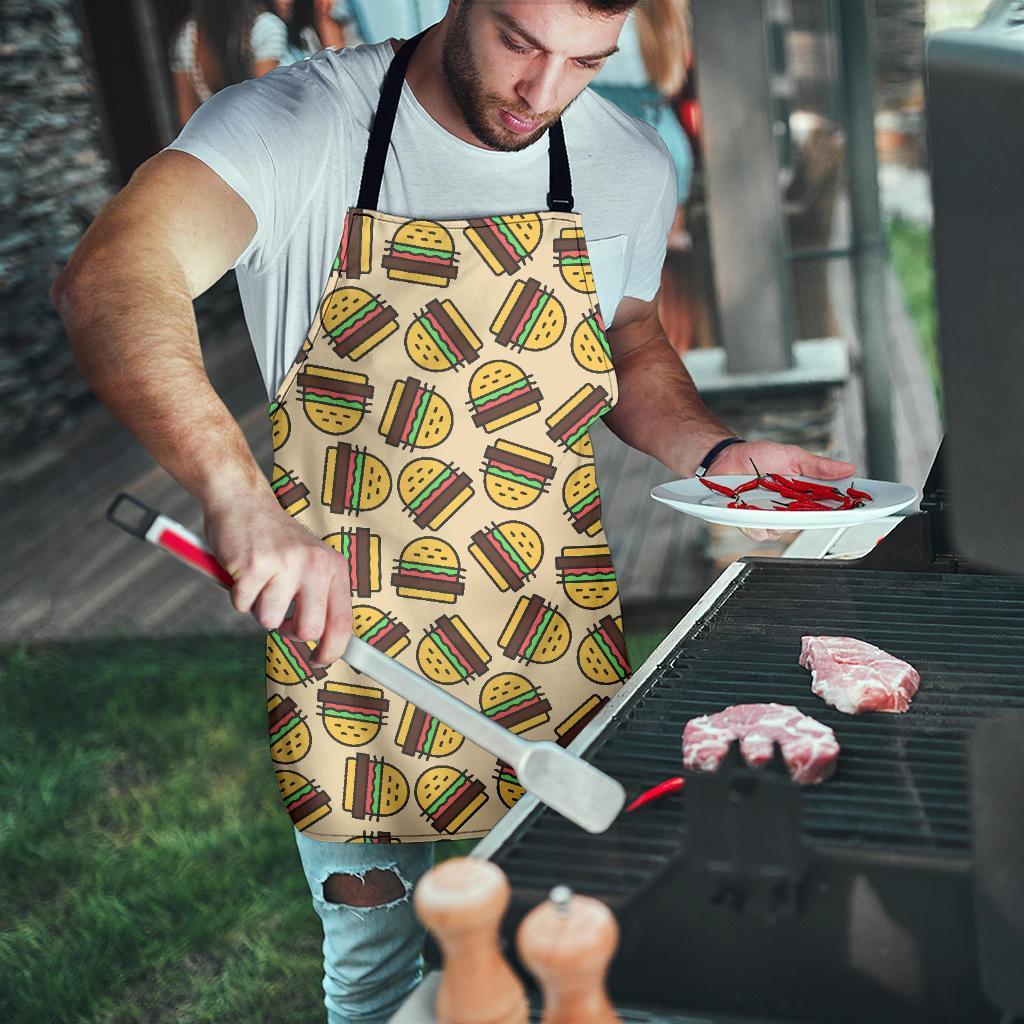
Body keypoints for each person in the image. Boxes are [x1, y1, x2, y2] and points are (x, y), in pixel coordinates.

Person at [53, 2, 856, 1020]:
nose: (543, 93)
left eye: (585, 62)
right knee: (380, 976)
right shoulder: (298, 125)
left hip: (552, 636)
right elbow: (113, 275)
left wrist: (717, 449)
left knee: (591, 947)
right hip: (352, 654)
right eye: (521, 42)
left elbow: (630, 334)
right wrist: (237, 497)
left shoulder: (625, 161)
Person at [170, 1, 289, 128]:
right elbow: (268, 107)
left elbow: (187, 118)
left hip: (216, 140)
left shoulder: (187, 36)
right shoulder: (265, 27)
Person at [275, 0, 350, 64]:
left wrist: (323, 17)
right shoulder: (271, 26)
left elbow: (339, 62)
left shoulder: (307, 29)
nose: (288, 2)